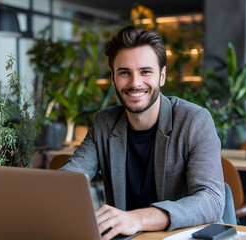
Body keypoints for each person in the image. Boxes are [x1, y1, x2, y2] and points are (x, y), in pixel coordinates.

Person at [60, 25, 225, 240]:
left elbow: (211, 199)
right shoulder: (104, 123)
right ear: (113, 79)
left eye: (145, 72)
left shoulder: (194, 120)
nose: (135, 83)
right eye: (124, 73)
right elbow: (70, 178)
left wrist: (137, 218)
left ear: (162, 76)